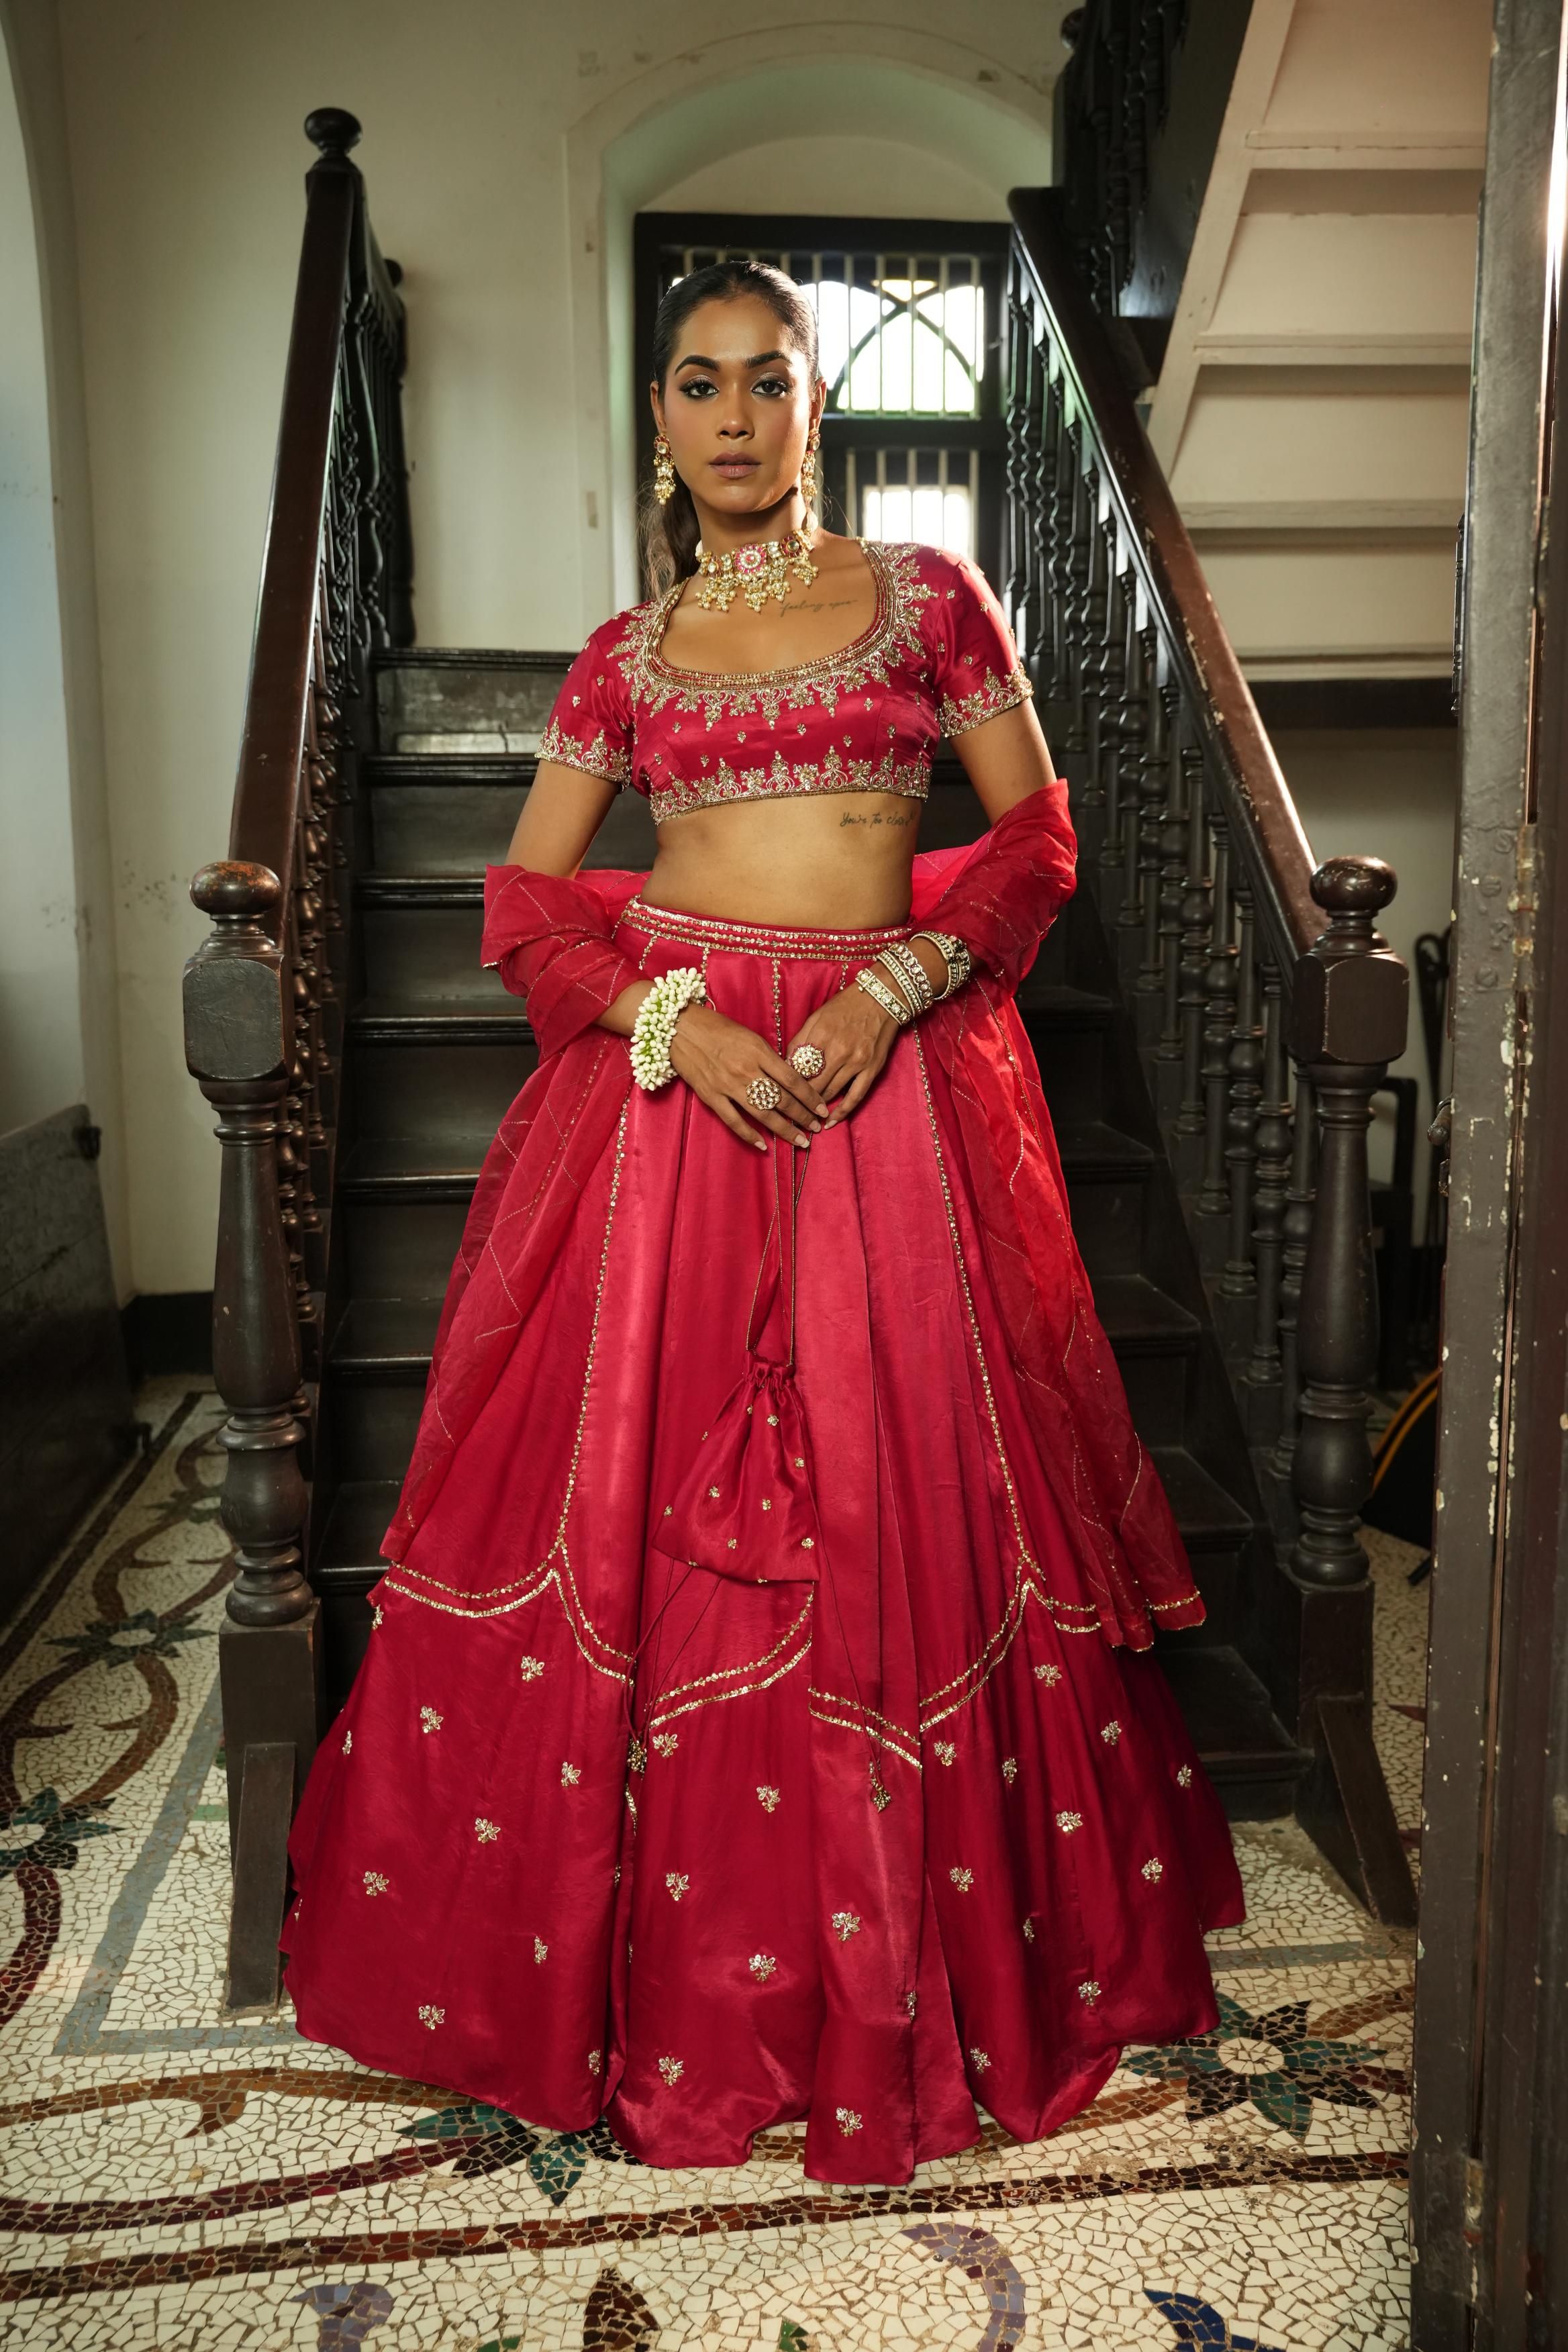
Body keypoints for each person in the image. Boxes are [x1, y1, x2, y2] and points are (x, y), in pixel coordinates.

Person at [283, 259, 1244, 2186]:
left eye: (770, 384)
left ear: (821, 410)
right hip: (682, 1094)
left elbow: (1038, 835)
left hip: (895, 1088)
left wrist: (898, 989)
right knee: (641, 1504)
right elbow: (532, 905)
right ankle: (646, 1973)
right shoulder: (620, 661)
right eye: (700, 385)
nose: (735, 416)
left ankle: (911, 1956)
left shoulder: (931, 602)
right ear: (661, 420)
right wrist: (672, 1020)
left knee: (905, 1489)